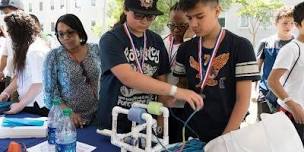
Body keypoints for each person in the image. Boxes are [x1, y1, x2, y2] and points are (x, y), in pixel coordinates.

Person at [95, 0, 203, 133]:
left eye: (150, 16)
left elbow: (161, 80)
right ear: (125, 10)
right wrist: (176, 91)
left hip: (146, 121)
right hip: (115, 121)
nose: (144, 21)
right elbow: (128, 77)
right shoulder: (111, 39)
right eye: (138, 15)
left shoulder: (156, 40)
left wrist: (161, 118)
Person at [173, 0, 260, 142]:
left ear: (217, 11)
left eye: (200, 16)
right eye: (189, 18)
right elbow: (181, 87)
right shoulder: (185, 49)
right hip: (188, 133)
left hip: (226, 133)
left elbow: (243, 100)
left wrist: (223, 141)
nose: (194, 24)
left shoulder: (241, 46)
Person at [43, 14, 101, 128]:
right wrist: (68, 113)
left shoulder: (95, 49)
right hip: (68, 122)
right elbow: (50, 94)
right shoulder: (53, 57)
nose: (65, 37)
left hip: (97, 117)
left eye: (70, 32)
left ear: (79, 31)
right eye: (61, 34)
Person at [0, 11, 50, 116]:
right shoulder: (26, 48)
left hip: (39, 106)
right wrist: (6, 92)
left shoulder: (35, 51)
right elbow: (20, 76)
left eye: (10, 31)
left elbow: (39, 84)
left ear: (18, 32)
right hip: (29, 104)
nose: (8, 34)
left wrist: (20, 105)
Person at [268, 1, 304, 143]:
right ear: (297, 24)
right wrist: (293, 106)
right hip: (293, 115)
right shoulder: (291, 49)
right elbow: (272, 81)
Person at [256, 6, 294, 118]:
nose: (289, 26)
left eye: (292, 23)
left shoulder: (298, 45)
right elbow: (255, 70)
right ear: (276, 23)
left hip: (289, 97)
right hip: (266, 94)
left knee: (287, 132)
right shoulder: (265, 43)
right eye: (285, 23)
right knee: (265, 131)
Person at [163, 2, 192, 143]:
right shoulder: (162, 42)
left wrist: (187, 40)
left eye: (182, 26)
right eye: (172, 25)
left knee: (181, 143)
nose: (175, 30)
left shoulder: (195, 45)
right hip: (163, 104)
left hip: (183, 107)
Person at [0, 0, 24, 87]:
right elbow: (5, 56)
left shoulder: (28, 34)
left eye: (7, 13)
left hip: (22, 78)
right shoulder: (10, 33)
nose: (4, 17)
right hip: (10, 77)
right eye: (3, 13)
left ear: (20, 12)